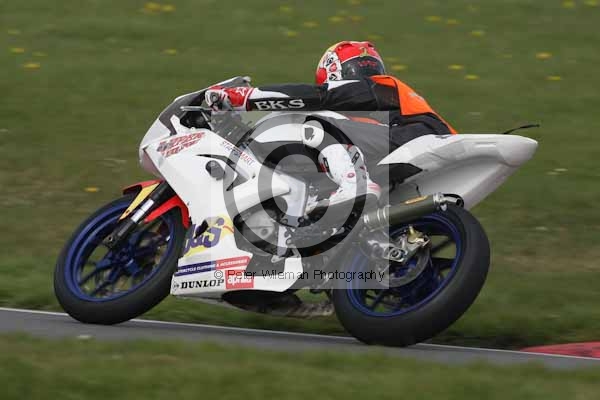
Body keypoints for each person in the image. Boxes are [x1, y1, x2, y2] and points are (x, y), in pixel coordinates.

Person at [206, 41, 456, 213]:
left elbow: (317, 96)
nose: (365, 73)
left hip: (414, 136)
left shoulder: (377, 87)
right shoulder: (376, 109)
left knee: (313, 122)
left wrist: (244, 97)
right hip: (416, 145)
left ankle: (353, 184)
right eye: (361, 67)